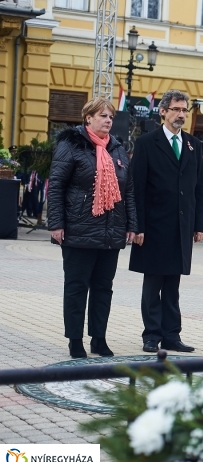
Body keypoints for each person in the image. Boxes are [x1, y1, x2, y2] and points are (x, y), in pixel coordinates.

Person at [47, 97, 136, 358]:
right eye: (103, 116)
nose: (108, 120)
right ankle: (75, 340)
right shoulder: (71, 144)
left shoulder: (117, 149)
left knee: (103, 288)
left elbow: (128, 191)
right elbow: (56, 186)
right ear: (88, 118)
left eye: (110, 117)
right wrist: (56, 223)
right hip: (79, 228)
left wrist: (132, 224)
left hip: (111, 230)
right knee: (76, 287)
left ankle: (99, 339)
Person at [129, 90, 203, 353]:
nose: (181, 114)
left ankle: (172, 335)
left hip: (181, 227)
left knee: (173, 284)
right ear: (163, 111)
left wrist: (199, 224)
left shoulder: (193, 144)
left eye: (184, 110)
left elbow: (198, 188)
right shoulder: (147, 143)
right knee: (154, 284)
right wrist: (137, 226)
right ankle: (151, 334)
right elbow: (137, 188)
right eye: (176, 109)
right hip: (153, 226)